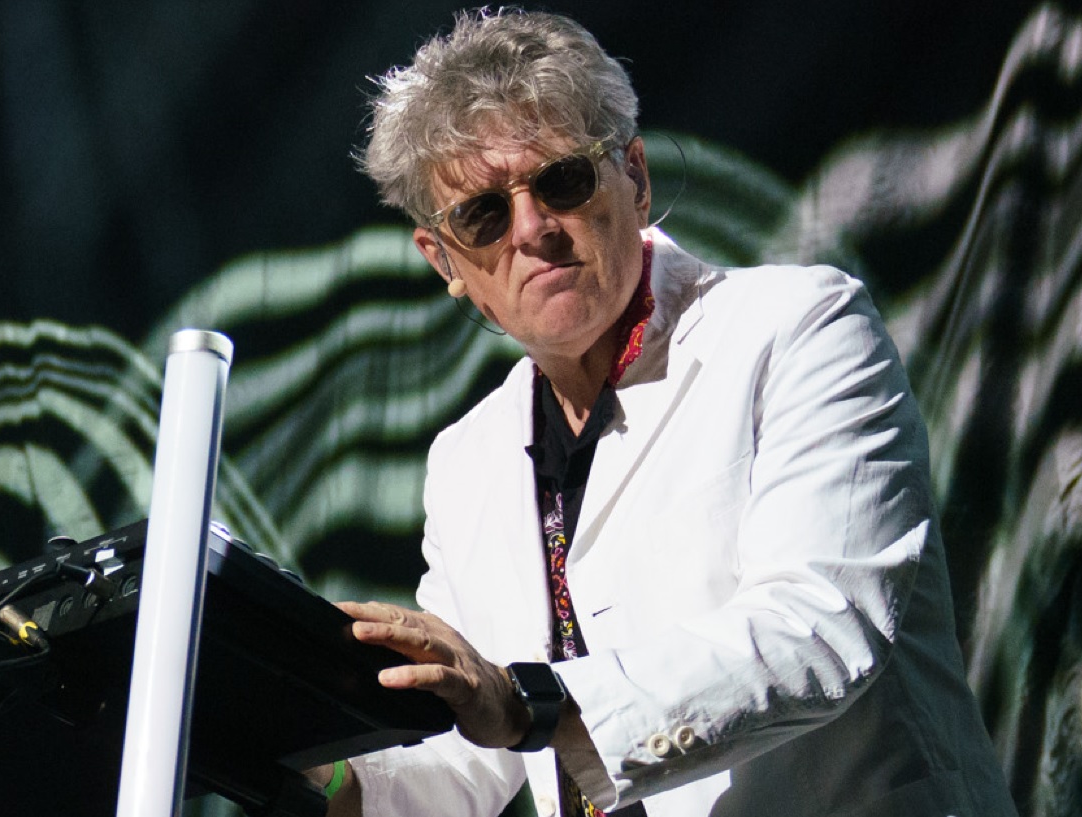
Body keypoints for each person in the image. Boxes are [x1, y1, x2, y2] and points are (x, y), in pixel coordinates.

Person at [319, 8, 1018, 816]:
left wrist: (528, 703)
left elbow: (820, 626)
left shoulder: (801, 326)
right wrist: (319, 772)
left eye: (561, 181)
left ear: (635, 178)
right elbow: (463, 754)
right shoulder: (465, 459)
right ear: (443, 257)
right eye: (483, 213)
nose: (532, 229)